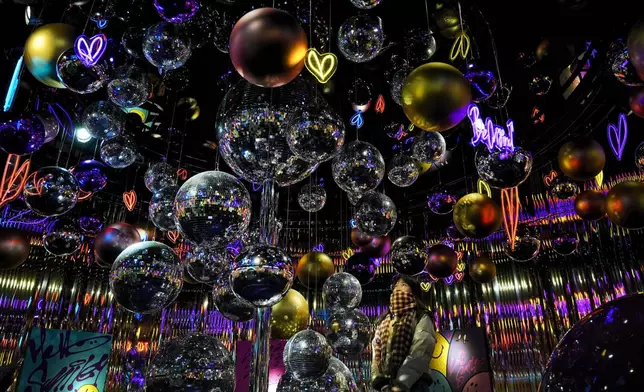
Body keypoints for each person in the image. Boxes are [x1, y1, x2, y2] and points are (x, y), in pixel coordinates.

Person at [371, 275, 436, 392]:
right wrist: (380, 381)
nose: (398, 288)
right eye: (396, 286)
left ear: (413, 291)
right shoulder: (385, 320)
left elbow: (420, 350)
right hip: (387, 386)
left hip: (415, 385)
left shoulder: (420, 316)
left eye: (403, 285)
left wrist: (402, 382)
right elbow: (376, 350)